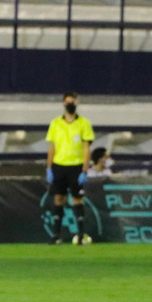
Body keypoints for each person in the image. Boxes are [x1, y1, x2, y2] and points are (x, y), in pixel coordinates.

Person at [45, 92, 95, 245]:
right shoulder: (55, 123)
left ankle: (80, 234)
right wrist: (49, 167)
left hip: (76, 165)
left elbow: (86, 148)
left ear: (76, 103)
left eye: (72, 102)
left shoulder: (83, 123)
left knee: (77, 199)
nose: (70, 105)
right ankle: (56, 235)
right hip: (59, 165)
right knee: (59, 198)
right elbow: (52, 147)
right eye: (67, 102)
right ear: (63, 104)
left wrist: (84, 170)